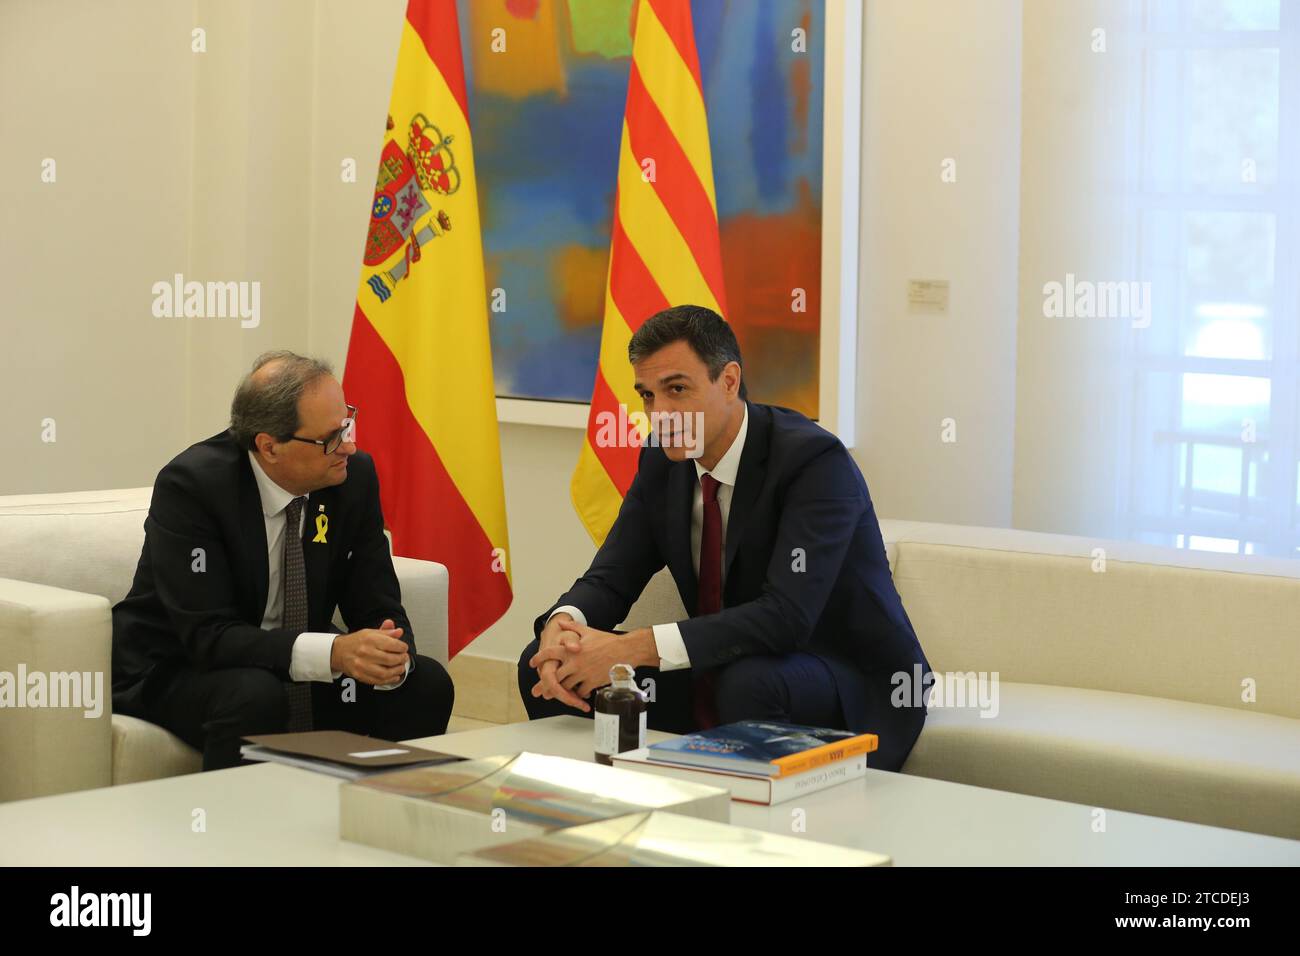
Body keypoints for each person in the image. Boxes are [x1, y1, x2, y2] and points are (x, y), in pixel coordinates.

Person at [518, 305, 931, 771]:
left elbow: (786, 618)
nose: (661, 414)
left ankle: (751, 830)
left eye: (677, 389)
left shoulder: (813, 461)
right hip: (722, 663)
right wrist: (564, 624)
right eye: (648, 396)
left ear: (729, 381)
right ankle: (605, 809)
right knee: (545, 661)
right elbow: (612, 577)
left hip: (848, 673)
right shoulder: (662, 461)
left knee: (749, 682)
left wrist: (629, 647)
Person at [112, 350, 453, 770]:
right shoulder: (194, 486)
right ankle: (235, 832)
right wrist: (334, 653)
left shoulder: (352, 478)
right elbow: (208, 635)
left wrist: (389, 655)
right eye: (331, 437)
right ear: (269, 447)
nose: (349, 445)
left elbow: (375, 596)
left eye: (347, 424)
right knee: (254, 693)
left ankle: (378, 816)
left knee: (426, 684)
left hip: (294, 658)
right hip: (181, 666)